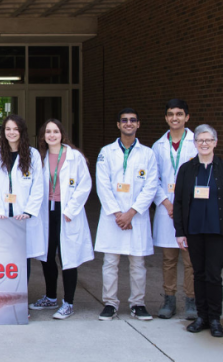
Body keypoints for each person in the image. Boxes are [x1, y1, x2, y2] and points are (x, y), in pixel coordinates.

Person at [173, 124, 223, 338]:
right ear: (195, 144)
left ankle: (215, 318)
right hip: (193, 230)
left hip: (217, 230)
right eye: (200, 140)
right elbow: (180, 201)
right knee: (198, 273)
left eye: (208, 140)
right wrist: (180, 231)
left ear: (215, 143)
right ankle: (201, 316)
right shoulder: (186, 168)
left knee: (214, 275)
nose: (204, 144)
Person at [94, 108, 159, 321]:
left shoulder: (148, 153)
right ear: (118, 125)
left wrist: (131, 213)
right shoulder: (106, 152)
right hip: (114, 217)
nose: (128, 124)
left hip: (136, 217)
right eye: (124, 120)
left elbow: (151, 187)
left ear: (138, 124)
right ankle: (110, 303)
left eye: (132, 120)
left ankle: (138, 303)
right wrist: (118, 213)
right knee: (110, 262)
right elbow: (102, 185)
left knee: (138, 263)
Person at [32, 119, 94, 320]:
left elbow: (85, 184)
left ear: (62, 134)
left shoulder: (74, 157)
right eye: (48, 132)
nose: (52, 135)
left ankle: (68, 302)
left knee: (68, 257)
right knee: (47, 255)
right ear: (43, 136)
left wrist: (71, 209)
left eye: (55, 131)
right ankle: (50, 297)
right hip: (45, 210)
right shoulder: (39, 157)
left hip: (66, 210)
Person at [151, 99, 199, 320]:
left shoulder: (197, 142)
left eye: (179, 114)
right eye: (170, 114)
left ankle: (191, 300)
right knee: (169, 259)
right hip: (166, 208)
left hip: (191, 209)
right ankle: (169, 300)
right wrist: (167, 203)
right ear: (166, 118)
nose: (175, 118)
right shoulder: (158, 146)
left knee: (190, 259)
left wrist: (182, 206)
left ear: (187, 117)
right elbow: (154, 179)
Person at [0, 115, 44, 283]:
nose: (11, 132)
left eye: (15, 129)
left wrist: (28, 211)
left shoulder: (32, 154)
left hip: (23, 215)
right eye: (8, 129)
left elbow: (38, 186)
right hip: (2, 215)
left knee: (23, 259)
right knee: (3, 259)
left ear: (22, 132)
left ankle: (21, 301)